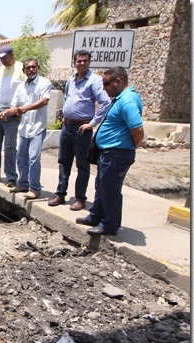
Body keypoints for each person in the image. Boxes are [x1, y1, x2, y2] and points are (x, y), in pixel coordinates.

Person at [76, 66, 144, 236]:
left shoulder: (127, 101)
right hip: (109, 153)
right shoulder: (120, 98)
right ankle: (96, 216)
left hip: (117, 153)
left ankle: (110, 225)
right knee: (102, 186)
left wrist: (133, 144)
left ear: (118, 81)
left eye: (106, 84)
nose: (104, 89)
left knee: (111, 190)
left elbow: (137, 129)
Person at [48, 50, 111, 211]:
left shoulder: (95, 81)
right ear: (74, 62)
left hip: (82, 128)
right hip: (67, 126)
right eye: (79, 61)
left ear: (89, 62)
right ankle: (60, 194)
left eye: (84, 61)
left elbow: (105, 103)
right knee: (63, 161)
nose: (81, 63)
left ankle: (80, 198)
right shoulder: (71, 80)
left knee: (82, 164)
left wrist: (93, 123)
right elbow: (69, 99)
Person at [1, 58, 52, 199]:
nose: (31, 70)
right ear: (24, 70)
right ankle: (23, 184)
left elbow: (44, 101)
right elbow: (15, 106)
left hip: (37, 127)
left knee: (34, 157)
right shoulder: (21, 87)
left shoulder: (44, 83)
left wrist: (25, 108)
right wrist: (7, 112)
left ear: (38, 67)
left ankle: (35, 188)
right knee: (21, 157)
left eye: (33, 67)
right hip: (24, 128)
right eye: (28, 68)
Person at [0, 45, 26, 186]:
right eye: (0, 58)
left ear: (12, 55)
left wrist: (20, 110)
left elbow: (26, 91)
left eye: (5, 57)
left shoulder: (21, 68)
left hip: (11, 112)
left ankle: (11, 177)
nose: (2, 61)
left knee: (9, 146)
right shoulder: (0, 70)